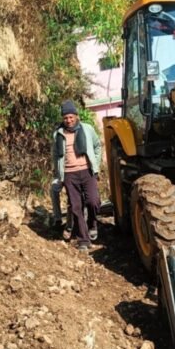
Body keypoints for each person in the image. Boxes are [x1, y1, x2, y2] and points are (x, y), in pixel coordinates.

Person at [51, 100, 101, 251]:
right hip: (69, 174)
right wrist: (59, 174)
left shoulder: (87, 129)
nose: (69, 120)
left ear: (76, 116)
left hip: (87, 171)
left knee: (93, 201)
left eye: (71, 117)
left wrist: (96, 165)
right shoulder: (58, 134)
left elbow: (97, 146)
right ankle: (83, 240)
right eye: (66, 118)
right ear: (63, 119)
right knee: (76, 206)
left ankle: (92, 224)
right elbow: (55, 155)